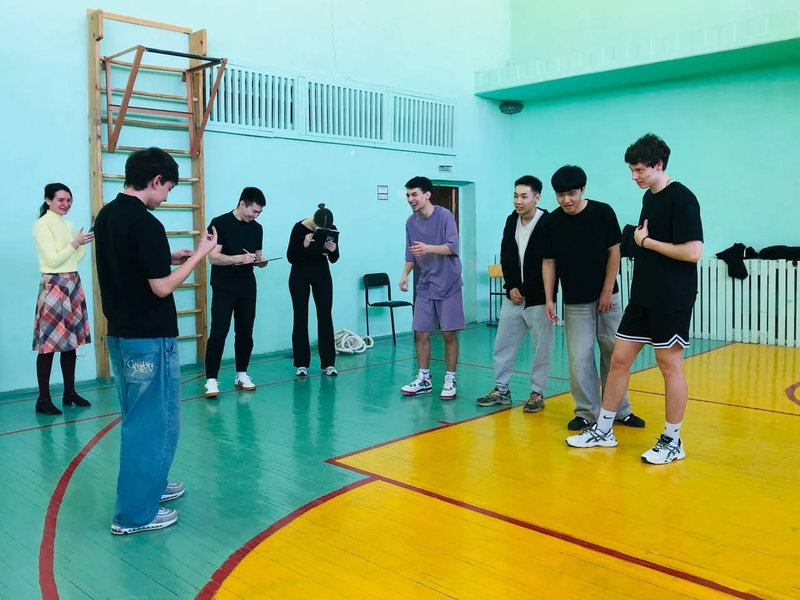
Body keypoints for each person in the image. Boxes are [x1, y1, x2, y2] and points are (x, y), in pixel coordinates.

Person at [94, 147, 217, 535]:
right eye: (167, 189)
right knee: (152, 424)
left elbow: (131, 264)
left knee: (141, 418)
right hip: (148, 338)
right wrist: (198, 255)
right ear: (155, 180)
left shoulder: (107, 215)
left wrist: (168, 256)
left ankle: (151, 486)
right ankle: (134, 515)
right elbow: (161, 288)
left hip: (122, 335)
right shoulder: (146, 223)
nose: (165, 197)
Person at [567, 134, 703, 464]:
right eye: (632, 170)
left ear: (659, 165)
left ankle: (673, 441)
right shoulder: (649, 198)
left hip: (672, 297)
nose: (634, 176)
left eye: (639, 170)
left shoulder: (683, 198)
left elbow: (693, 252)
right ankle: (604, 429)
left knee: (669, 365)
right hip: (643, 295)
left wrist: (646, 243)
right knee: (619, 359)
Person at [541, 165, 645, 430]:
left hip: (608, 298)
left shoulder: (602, 212)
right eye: (560, 195)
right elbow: (549, 262)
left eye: (572, 193)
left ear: (583, 189)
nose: (566, 200)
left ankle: (619, 410)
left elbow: (614, 252)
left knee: (614, 354)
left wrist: (607, 291)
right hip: (575, 301)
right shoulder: (552, 222)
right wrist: (550, 298)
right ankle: (587, 412)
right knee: (579, 358)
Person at [476, 176, 555, 411]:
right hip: (513, 296)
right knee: (503, 345)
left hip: (538, 298)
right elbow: (506, 255)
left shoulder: (548, 222)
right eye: (515, 196)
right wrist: (510, 286)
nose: (518, 201)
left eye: (524, 196)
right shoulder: (512, 220)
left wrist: (525, 289)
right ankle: (501, 390)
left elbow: (547, 263)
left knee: (541, 348)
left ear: (537, 198)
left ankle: (537, 393)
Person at [31, 183, 94, 415]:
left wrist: (77, 245)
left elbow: (78, 256)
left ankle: (70, 392)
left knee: (71, 343)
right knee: (48, 345)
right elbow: (53, 260)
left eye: (69, 200)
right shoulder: (42, 225)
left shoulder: (68, 225)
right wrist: (75, 244)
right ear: (48, 200)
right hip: (54, 284)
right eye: (61, 200)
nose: (66, 204)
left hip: (72, 282)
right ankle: (43, 399)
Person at [399, 176, 463, 400]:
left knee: (448, 333)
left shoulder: (445, 216)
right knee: (420, 332)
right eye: (408, 195)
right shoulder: (410, 222)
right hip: (425, 284)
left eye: (414, 194)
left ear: (427, 195)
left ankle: (450, 378)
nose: (410, 199)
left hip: (449, 283)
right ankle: (424, 379)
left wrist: (429, 248)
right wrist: (405, 275)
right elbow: (411, 254)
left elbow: (453, 248)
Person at [203, 187, 267, 397]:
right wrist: (238, 258)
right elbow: (213, 257)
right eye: (254, 211)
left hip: (247, 285)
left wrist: (260, 261)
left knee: (245, 331)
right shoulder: (219, 223)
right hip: (223, 286)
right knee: (219, 332)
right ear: (242, 204)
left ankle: (242, 374)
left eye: (259, 213)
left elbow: (257, 254)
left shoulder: (257, 228)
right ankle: (211, 379)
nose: (255, 216)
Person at [286, 203, 339, 377]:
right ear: (315, 222)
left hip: (321, 273)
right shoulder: (299, 228)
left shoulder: (331, 229)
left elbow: (334, 259)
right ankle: (301, 364)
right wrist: (305, 245)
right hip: (299, 274)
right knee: (300, 316)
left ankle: (328, 364)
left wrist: (333, 250)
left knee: (325, 316)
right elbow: (290, 257)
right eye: (320, 228)